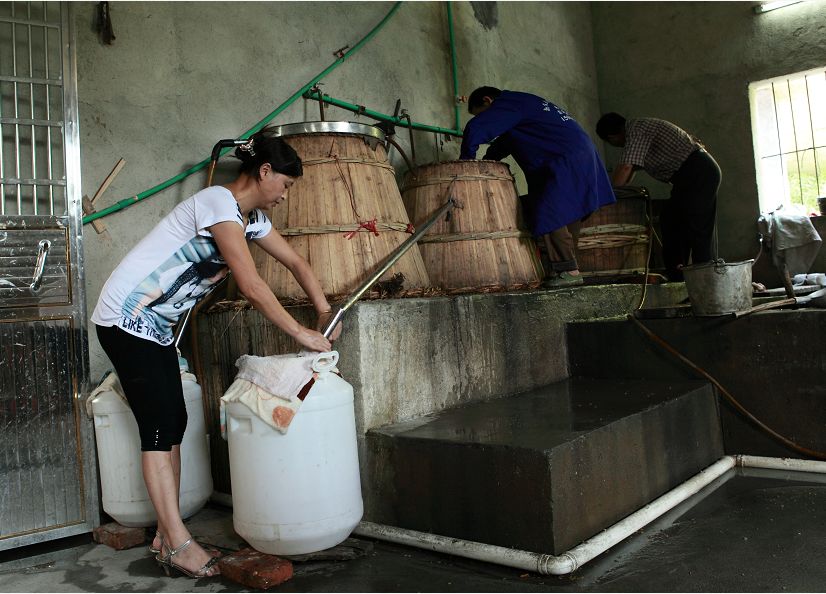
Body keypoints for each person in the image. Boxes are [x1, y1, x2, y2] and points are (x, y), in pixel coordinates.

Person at [91, 127, 342, 578]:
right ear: (264, 171)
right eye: (284, 184)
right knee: (159, 425)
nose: (285, 195)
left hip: (157, 327)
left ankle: (168, 535)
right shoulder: (217, 204)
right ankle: (178, 542)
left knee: (174, 421)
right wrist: (300, 332)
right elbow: (250, 283)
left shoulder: (252, 219)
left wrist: (325, 310)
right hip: (124, 316)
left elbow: (296, 262)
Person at [459, 86, 615, 287]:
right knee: (570, 214)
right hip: (583, 156)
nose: (485, 117)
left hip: (562, 160)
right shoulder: (524, 105)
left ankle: (567, 269)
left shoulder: (507, 103)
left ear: (488, 101)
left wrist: (465, 162)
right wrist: (488, 161)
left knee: (549, 213)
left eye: (482, 113)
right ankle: (567, 270)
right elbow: (506, 142)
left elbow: (475, 128)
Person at [595, 112, 722, 281]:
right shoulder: (637, 132)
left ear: (612, 137)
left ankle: (706, 279)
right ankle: (678, 275)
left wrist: (608, 198)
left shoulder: (636, 130)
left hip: (697, 171)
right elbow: (630, 170)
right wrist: (617, 188)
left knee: (698, 227)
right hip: (689, 175)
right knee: (671, 220)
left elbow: (625, 167)